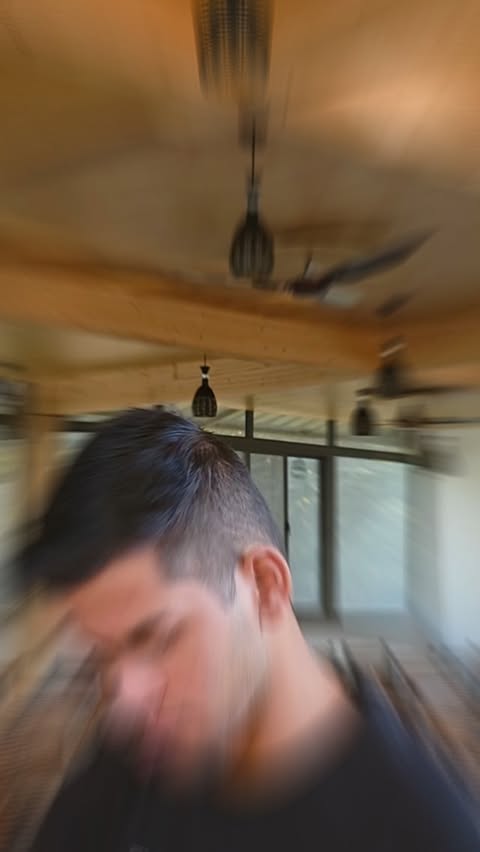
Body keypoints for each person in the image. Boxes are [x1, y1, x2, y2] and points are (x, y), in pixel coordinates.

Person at [22, 408, 479, 851]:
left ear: (264, 586)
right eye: (102, 656)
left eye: (159, 639)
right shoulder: (136, 758)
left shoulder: (425, 831)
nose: (125, 704)